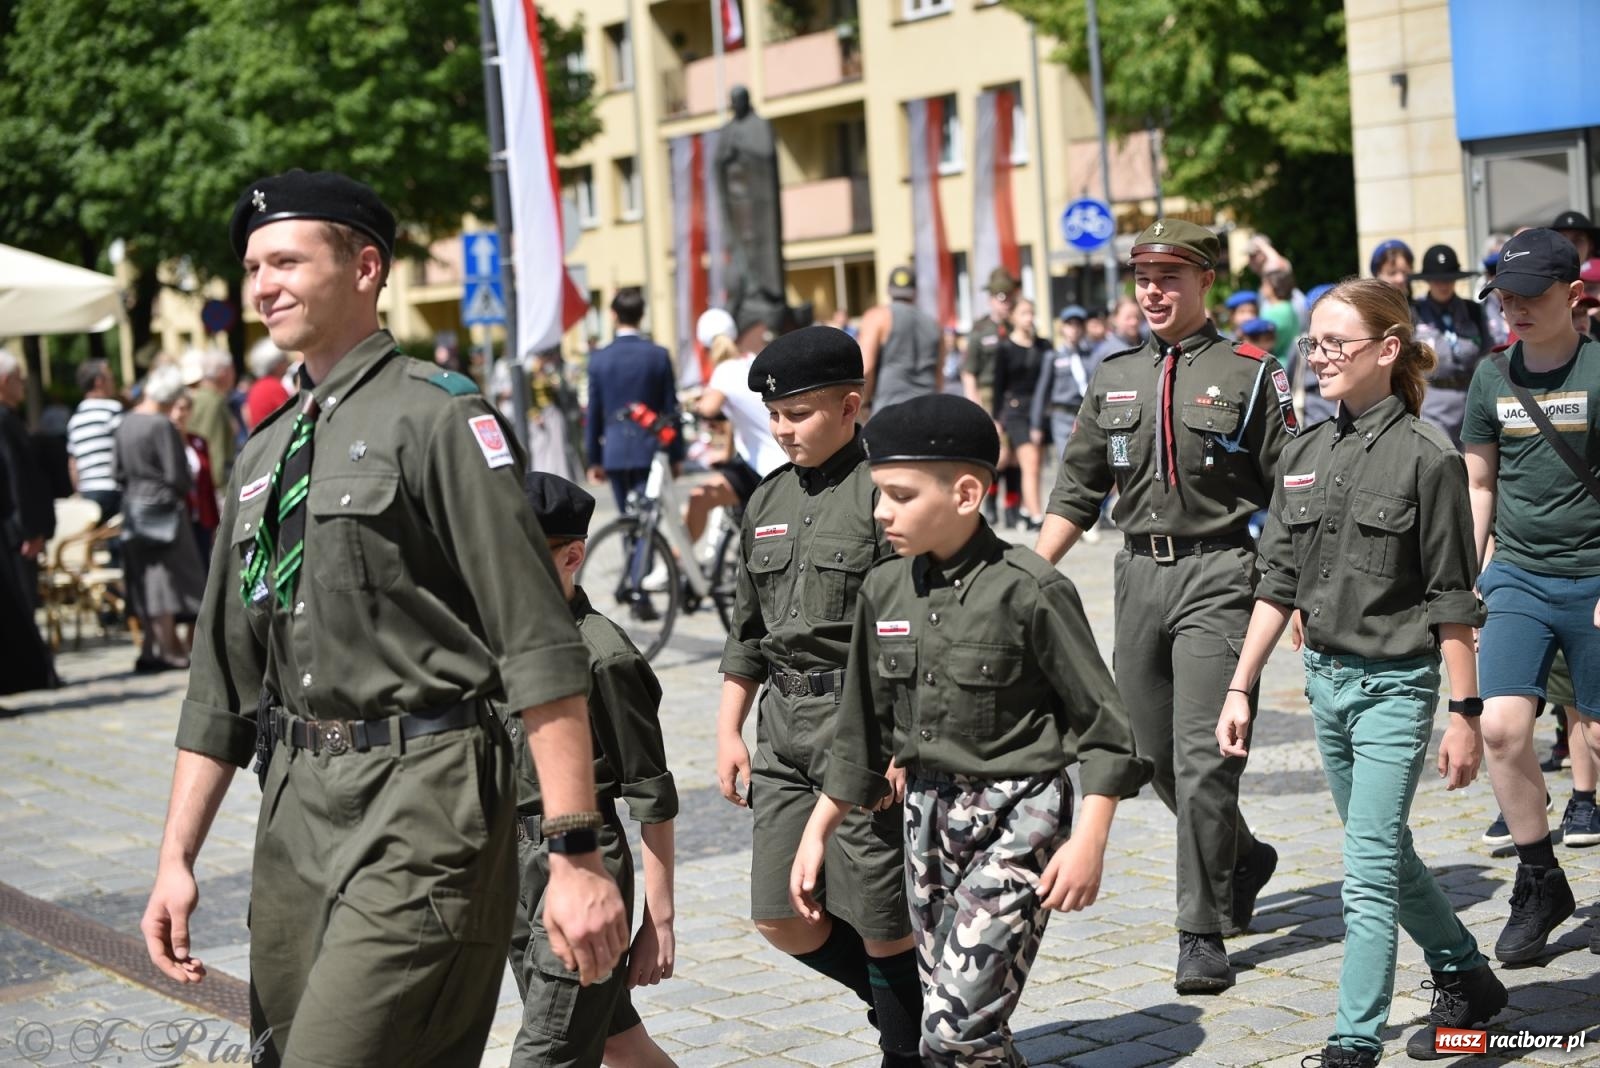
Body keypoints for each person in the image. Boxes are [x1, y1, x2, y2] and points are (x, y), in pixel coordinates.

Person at [139, 169, 628, 1068]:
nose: (263, 286)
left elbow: (537, 640)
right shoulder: (262, 454)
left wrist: (575, 853)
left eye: (287, 261)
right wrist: (176, 859)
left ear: (366, 268)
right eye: (253, 268)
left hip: (425, 802)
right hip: (294, 814)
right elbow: (221, 683)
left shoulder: (437, 417)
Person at [789, 393, 1150, 1065]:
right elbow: (861, 730)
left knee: (954, 1029)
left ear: (965, 493)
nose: (881, 512)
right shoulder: (884, 590)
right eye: (879, 494)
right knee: (959, 1024)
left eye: (900, 496)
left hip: (1021, 813)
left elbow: (1106, 729)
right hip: (925, 816)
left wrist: (1090, 841)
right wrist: (818, 832)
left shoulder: (1030, 589)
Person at [1216, 278, 1506, 1066]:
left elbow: (1452, 598)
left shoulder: (1429, 458)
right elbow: (1277, 582)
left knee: (1367, 872)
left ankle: (1353, 1042)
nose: (1318, 357)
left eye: (1336, 343)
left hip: (1395, 690)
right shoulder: (1303, 452)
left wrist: (1465, 715)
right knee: (1387, 851)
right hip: (1325, 685)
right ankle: (1466, 973)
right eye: (1313, 343)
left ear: (1387, 350)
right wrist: (1240, 686)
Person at [1034, 219, 1295, 994]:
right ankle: (1242, 855)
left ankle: (1200, 930)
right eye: (1143, 279)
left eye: (1168, 278)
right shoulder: (1113, 375)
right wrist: (1025, 574)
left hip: (1220, 573)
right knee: (1149, 755)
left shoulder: (1251, 373)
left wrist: (1292, 591)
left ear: (1205, 280)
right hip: (1137, 577)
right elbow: (1077, 489)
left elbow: (1290, 493)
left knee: (1204, 757)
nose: (1152, 292)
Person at [714, 327, 922, 1066]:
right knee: (781, 913)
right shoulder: (765, 498)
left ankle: (906, 1047)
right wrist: (729, 729)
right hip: (782, 731)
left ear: (850, 406)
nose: (782, 428)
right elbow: (747, 630)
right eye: (774, 414)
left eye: (798, 413)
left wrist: (901, 741)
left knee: (879, 915)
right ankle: (913, 1007)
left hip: (860, 725)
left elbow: (916, 628)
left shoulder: (887, 494)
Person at [1462, 226, 1600, 962]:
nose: (1513, 308)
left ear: (1573, 295)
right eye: (1503, 297)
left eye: (1529, 296)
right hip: (1518, 574)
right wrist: (1468, 577)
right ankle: (1541, 881)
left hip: (1596, 573)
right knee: (1502, 729)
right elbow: (1480, 484)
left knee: (1598, 737)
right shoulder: (1492, 377)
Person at [508, 474, 679, 1068]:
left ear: (572, 556)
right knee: (616, 1043)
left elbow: (651, 796)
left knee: (546, 1056)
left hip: (582, 864)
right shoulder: (498, 642)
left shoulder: (604, 656)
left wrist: (659, 921)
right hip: (512, 875)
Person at [113, 365, 206, 672]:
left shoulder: (125, 422)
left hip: (133, 509)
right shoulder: (161, 425)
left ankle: (150, 648)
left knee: (145, 579)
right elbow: (177, 474)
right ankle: (168, 650)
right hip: (165, 511)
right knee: (166, 582)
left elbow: (117, 472)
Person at [685, 308, 785, 549]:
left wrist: (691, 403)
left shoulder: (724, 371)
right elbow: (737, 417)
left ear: (706, 349)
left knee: (698, 499)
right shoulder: (751, 361)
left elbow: (709, 409)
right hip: (774, 461)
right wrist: (726, 453)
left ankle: (676, 561)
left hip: (764, 468)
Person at [585, 288, 685, 511]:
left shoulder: (599, 359)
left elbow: (593, 413)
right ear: (642, 314)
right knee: (648, 516)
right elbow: (670, 408)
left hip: (614, 450)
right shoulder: (658, 355)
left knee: (625, 518)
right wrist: (677, 455)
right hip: (649, 447)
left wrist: (594, 460)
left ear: (613, 315)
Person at [1411, 244, 1491, 448]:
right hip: (1432, 403)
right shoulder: (1414, 313)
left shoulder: (1472, 311)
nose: (1443, 285)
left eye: (1449, 278)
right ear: (1427, 280)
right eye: (1437, 279)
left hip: (1470, 401)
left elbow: (1487, 353)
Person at [961, 268, 1020, 524]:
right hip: (988, 395)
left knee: (1016, 454)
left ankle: (1013, 506)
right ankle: (993, 503)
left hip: (1014, 395)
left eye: (1009, 297)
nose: (1005, 303)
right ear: (991, 299)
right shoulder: (981, 331)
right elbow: (969, 373)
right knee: (1000, 454)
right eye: (1000, 297)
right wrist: (977, 408)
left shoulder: (1018, 326)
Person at [0, 349, 55, 612]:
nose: (23, 384)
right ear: (4, 381)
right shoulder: (4, 421)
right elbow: (16, 479)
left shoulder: (10, 419)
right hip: (14, 535)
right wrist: (28, 531)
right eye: (19, 379)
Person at [991, 296, 1050, 529]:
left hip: (1040, 410)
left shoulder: (1043, 346)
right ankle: (1036, 516)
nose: (1029, 318)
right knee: (1030, 462)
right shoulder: (1005, 348)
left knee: (1038, 463)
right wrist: (997, 418)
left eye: (1031, 313)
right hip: (1015, 410)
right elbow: (998, 387)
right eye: (1024, 313)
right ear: (1013, 317)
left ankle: (1025, 509)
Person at [859, 265, 944, 412]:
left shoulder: (877, 317)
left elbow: (866, 367)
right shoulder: (934, 324)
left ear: (889, 290)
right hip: (929, 408)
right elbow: (939, 374)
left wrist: (864, 403)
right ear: (915, 292)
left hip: (890, 410)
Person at [66, 360, 125, 522]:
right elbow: (126, 447)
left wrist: (79, 493)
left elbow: (73, 464)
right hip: (113, 490)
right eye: (111, 378)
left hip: (88, 494)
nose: (114, 382)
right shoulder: (112, 409)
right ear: (99, 382)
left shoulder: (74, 420)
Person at [1031, 304, 1095, 453]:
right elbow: (1042, 391)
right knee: (1066, 458)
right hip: (1063, 416)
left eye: (1078, 325)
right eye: (1070, 324)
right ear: (1062, 328)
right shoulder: (1054, 356)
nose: (1074, 329)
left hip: (1085, 415)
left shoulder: (1090, 355)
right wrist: (1036, 424)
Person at [168, 391, 220, 571]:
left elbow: (208, 485)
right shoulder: (163, 444)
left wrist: (215, 522)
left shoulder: (198, 442)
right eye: (174, 408)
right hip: (178, 520)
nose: (178, 414)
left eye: (183, 408)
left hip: (202, 518)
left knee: (204, 567)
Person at [183, 347, 240, 483]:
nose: (234, 375)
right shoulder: (213, 402)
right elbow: (214, 446)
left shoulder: (204, 397)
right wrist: (218, 485)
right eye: (232, 369)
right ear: (223, 373)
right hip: (215, 482)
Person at [243, 339, 292, 429]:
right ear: (276, 364)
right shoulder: (273, 387)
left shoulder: (257, 386)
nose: (288, 363)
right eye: (284, 359)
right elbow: (290, 416)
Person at [1259, 269, 1301, 363]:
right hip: (1289, 360)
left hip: (1276, 362)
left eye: (1264, 284)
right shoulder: (1289, 307)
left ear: (1273, 286)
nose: (1261, 288)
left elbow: (1264, 342)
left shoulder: (1275, 311)